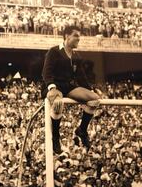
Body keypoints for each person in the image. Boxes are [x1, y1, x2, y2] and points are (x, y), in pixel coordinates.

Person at [42, 25, 101, 154]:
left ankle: (82, 129)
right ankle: (56, 137)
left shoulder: (76, 56)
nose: (78, 39)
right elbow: (46, 73)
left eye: (79, 37)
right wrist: (52, 88)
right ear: (67, 36)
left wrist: (91, 90)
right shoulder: (54, 51)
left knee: (95, 100)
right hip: (54, 86)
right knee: (58, 102)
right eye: (76, 36)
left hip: (68, 87)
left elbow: (82, 78)